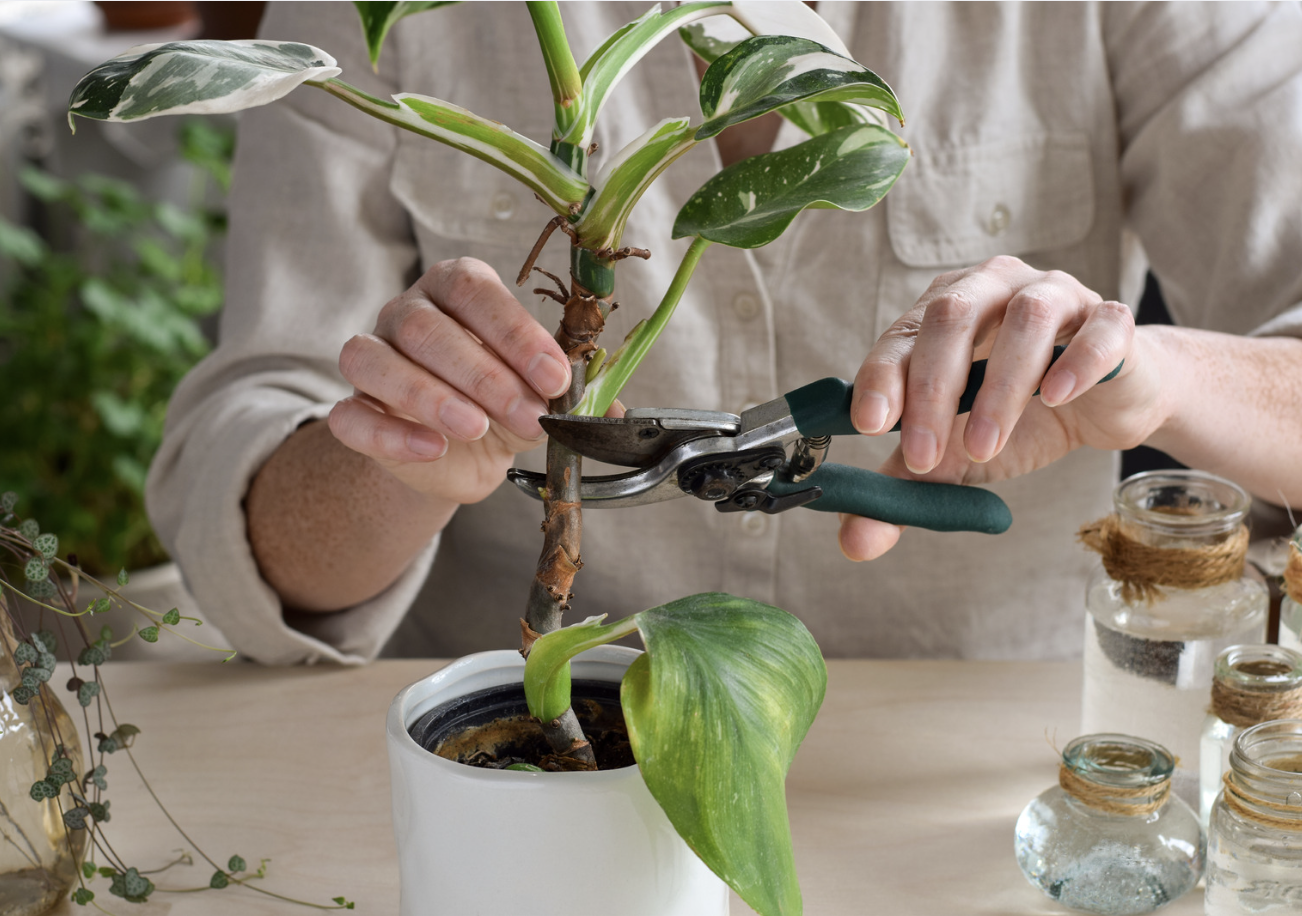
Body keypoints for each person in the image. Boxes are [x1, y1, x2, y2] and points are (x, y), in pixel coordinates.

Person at [146, 1, 1302, 665]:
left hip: (987, 771)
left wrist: (1157, 374)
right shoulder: (366, 21)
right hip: (513, 740)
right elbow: (252, 539)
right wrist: (398, 445)